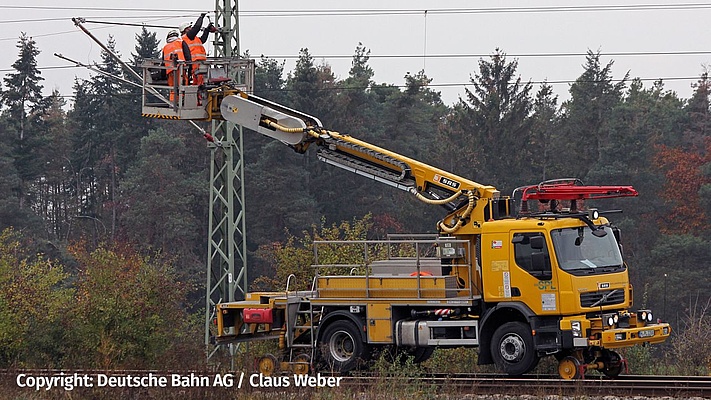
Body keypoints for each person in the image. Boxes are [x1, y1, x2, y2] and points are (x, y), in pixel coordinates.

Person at [180, 13, 217, 87]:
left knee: (199, 81)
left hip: (199, 62)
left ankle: (197, 95)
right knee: (200, 82)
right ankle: (199, 95)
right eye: (189, 27)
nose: (191, 28)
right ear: (185, 30)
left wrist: (206, 30)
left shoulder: (192, 38)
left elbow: (202, 39)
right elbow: (196, 28)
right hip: (196, 62)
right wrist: (201, 17)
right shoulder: (187, 37)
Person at [162, 29, 191, 103]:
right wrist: (190, 68)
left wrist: (163, 75)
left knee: (173, 89)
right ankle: (183, 102)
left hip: (170, 72)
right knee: (183, 85)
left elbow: (163, 63)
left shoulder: (165, 47)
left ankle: (172, 104)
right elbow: (188, 56)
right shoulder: (181, 42)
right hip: (180, 69)